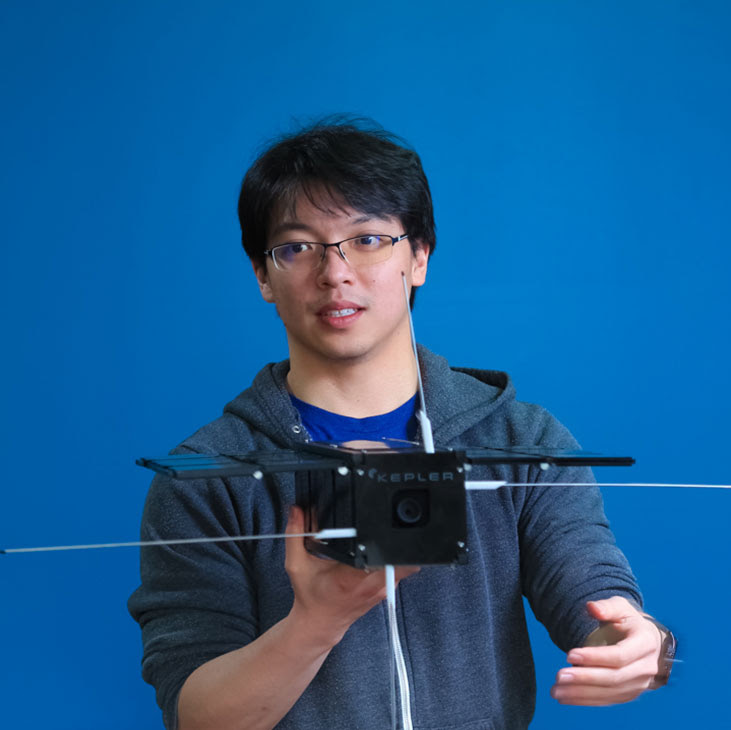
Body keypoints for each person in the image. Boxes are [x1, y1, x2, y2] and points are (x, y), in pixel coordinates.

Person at [128, 118, 674, 730]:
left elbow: (594, 595)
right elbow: (199, 715)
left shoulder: (522, 441)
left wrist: (640, 643)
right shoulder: (205, 478)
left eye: (367, 239)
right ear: (263, 275)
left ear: (419, 257)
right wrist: (316, 623)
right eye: (298, 247)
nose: (335, 272)